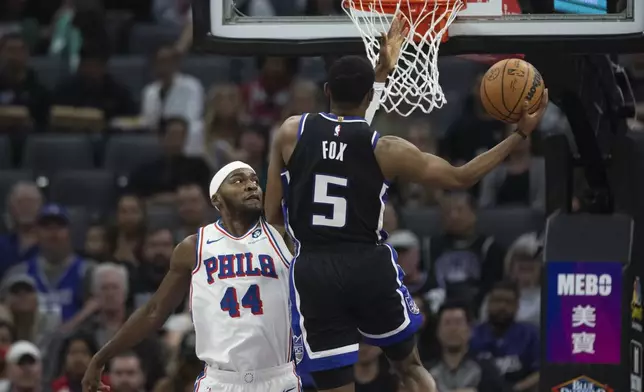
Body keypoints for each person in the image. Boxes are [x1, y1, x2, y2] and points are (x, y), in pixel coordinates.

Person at [264, 17, 549, 392]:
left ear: (327, 89)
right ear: (368, 96)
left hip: (314, 269)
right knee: (410, 368)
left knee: (334, 384)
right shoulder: (386, 148)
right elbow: (461, 177)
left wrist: (379, 76)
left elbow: (271, 216)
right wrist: (519, 135)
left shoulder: (290, 132)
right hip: (368, 264)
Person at [82, 161, 298, 392]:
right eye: (238, 180)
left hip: (278, 376)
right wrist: (101, 357)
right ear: (216, 199)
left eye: (255, 180)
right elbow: (154, 311)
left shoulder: (283, 236)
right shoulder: (194, 247)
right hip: (220, 382)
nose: (251, 186)